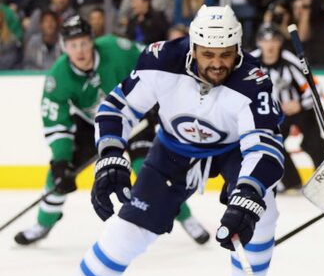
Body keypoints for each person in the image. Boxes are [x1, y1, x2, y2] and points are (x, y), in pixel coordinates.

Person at [38, 6, 286, 276]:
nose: (217, 63)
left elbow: (266, 148)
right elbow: (116, 108)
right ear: (193, 46)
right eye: (208, 54)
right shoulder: (160, 60)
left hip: (231, 152)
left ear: (239, 49)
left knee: (263, 212)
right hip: (173, 150)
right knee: (128, 229)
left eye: (226, 54)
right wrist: (111, 154)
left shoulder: (253, 81)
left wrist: (248, 192)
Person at [14, 15, 209, 246]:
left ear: (92, 41)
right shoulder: (58, 77)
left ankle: (186, 218)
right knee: (58, 174)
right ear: (63, 47)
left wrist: (160, 102)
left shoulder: (117, 49)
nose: (80, 51)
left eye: (84, 43)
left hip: (135, 118)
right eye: (73, 45)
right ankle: (43, 223)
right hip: (94, 125)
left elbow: (156, 64)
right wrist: (60, 160)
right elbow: (58, 124)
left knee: (149, 169)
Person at [250, 22, 324, 191]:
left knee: (314, 144)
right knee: (272, 146)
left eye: (274, 41)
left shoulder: (290, 60)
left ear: (280, 42)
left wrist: (299, 104)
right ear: (258, 42)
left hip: (300, 110)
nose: (269, 45)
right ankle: (292, 182)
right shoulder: (251, 62)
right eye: (265, 40)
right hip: (272, 114)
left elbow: (316, 88)